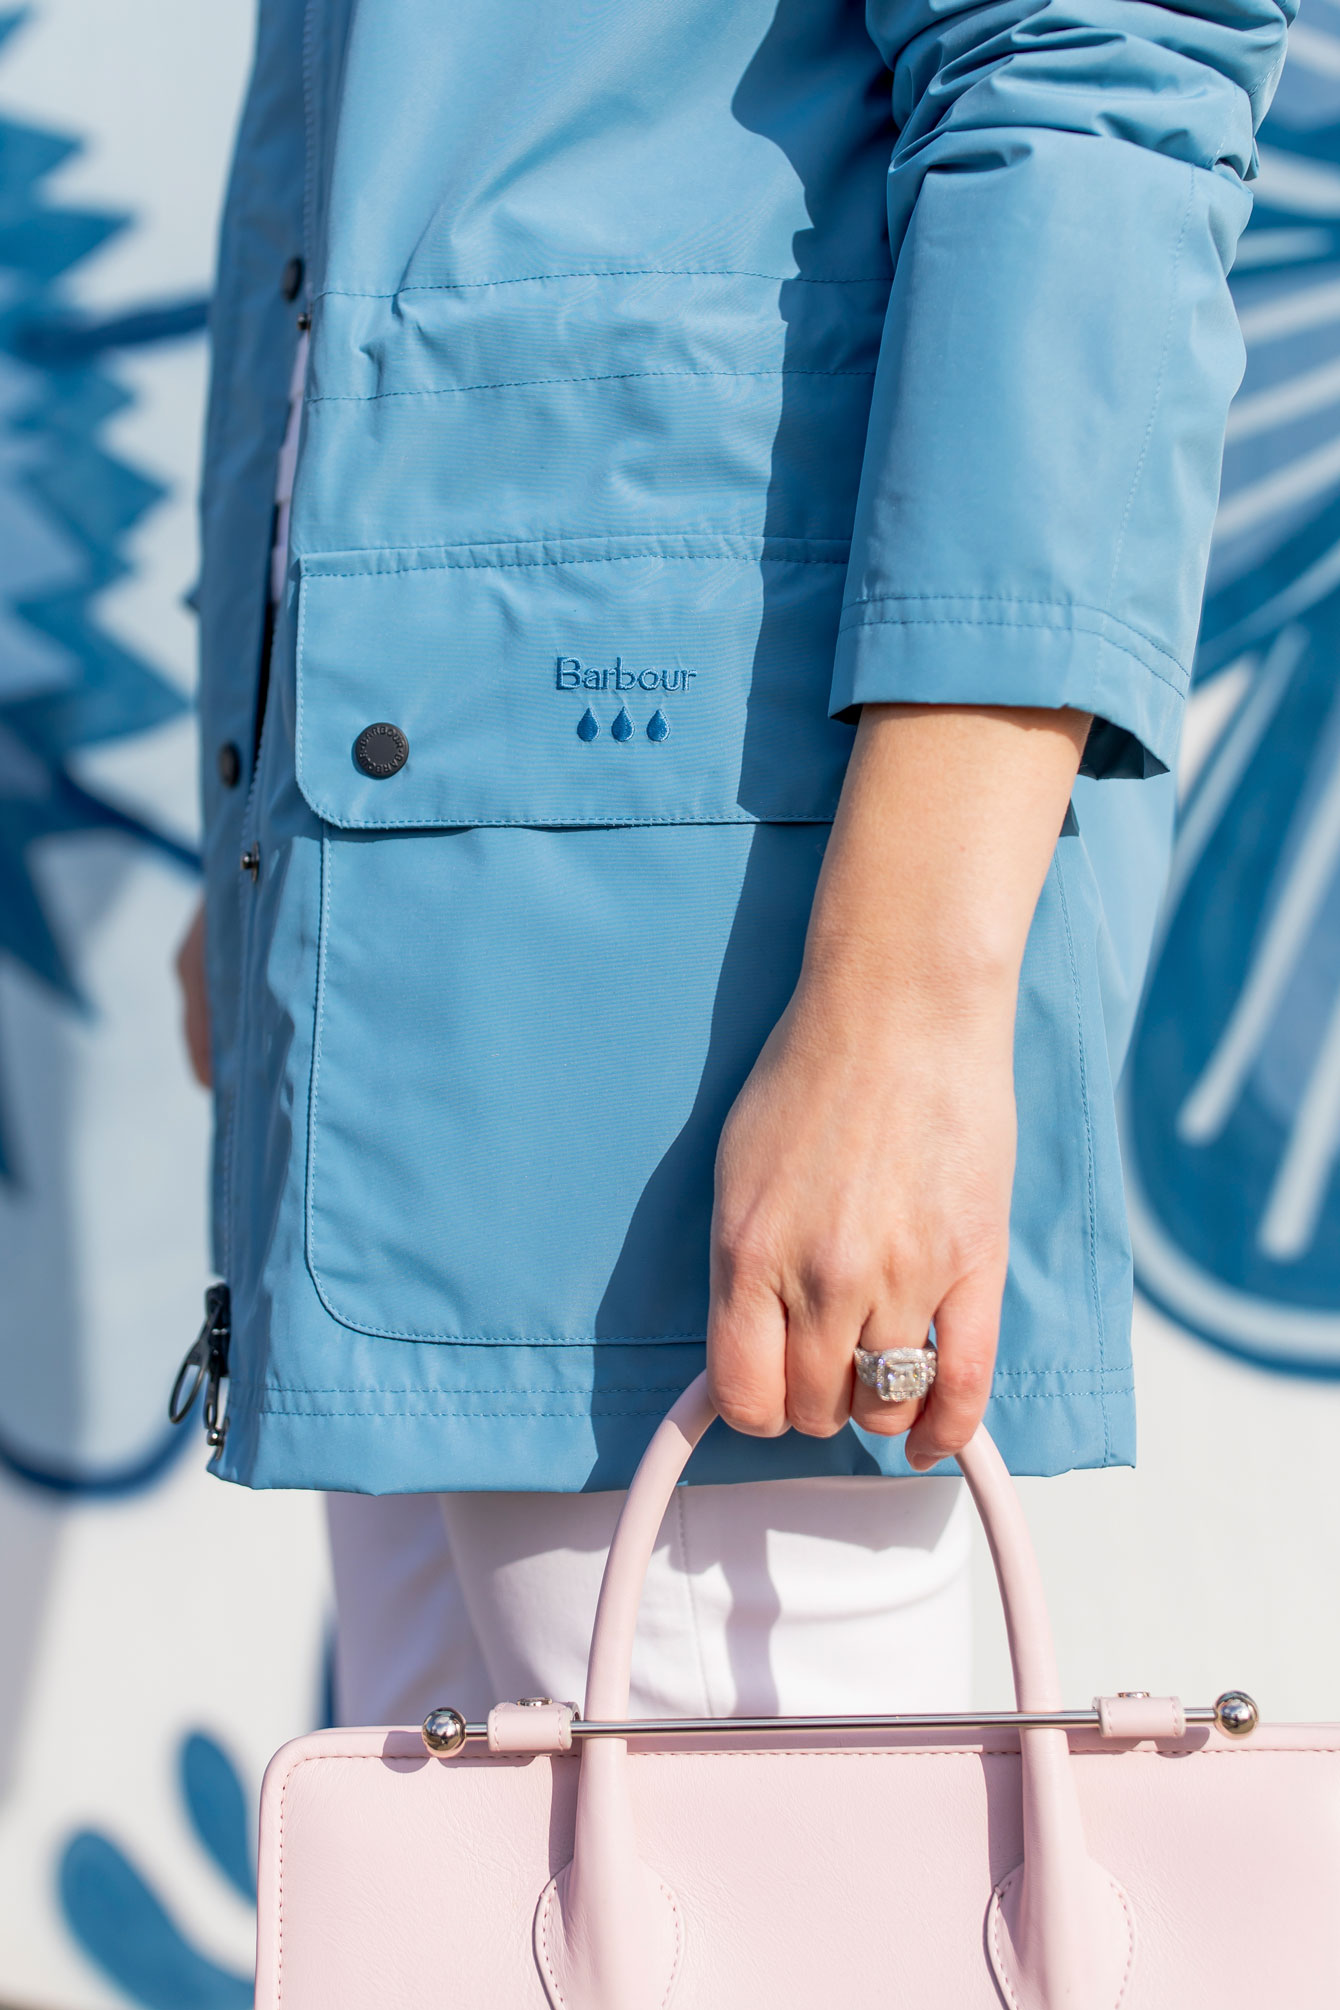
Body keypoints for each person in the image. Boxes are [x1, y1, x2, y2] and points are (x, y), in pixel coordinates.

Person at [176, 0, 1292, 1726]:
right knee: (462, 1918)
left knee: (736, 1904)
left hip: (695, 960)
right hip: (411, 907)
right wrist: (265, 836)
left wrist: (906, 1000)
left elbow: (1096, 70)